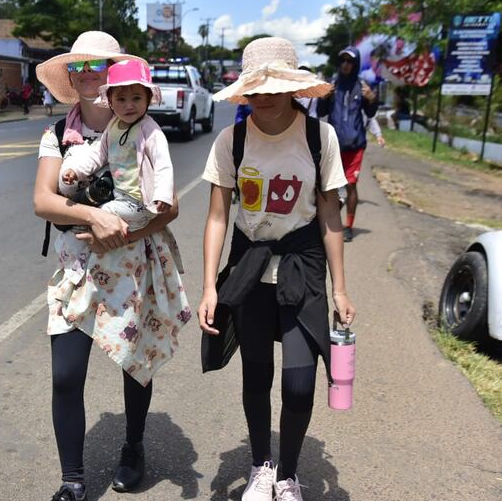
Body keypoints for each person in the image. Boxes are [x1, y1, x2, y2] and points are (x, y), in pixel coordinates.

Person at [34, 31, 190, 501]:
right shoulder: (59, 135)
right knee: (65, 373)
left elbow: (172, 206)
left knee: (135, 365)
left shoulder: (144, 129)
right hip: (78, 267)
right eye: (77, 67)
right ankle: (73, 480)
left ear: (117, 73)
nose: (86, 74)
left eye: (96, 65)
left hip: (133, 263)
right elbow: (43, 201)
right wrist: (92, 215)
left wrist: (128, 231)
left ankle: (134, 447)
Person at [198, 37, 356, 501]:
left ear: (293, 86)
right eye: (256, 85)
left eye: (275, 83)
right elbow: (217, 217)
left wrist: (341, 289)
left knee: (300, 382)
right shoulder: (233, 139)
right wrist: (210, 286)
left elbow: (329, 214)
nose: (264, 95)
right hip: (251, 266)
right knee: (257, 374)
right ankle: (261, 466)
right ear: (245, 89)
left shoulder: (318, 136)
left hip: (303, 266)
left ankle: (287, 474)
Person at [60, 59, 174, 234]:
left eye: (136, 98)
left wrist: (163, 194)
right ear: (110, 102)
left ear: (148, 99)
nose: (129, 105)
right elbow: (98, 155)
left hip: (139, 202)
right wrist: (75, 171)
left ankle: (103, 238)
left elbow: (163, 163)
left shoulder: (149, 129)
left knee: (102, 215)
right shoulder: (113, 126)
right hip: (121, 198)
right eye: (121, 99)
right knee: (101, 218)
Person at [316, 46, 378, 242]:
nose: (345, 64)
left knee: (351, 185)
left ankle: (348, 226)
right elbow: (321, 111)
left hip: (355, 145)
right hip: (334, 144)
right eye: (343, 60)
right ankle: (328, 221)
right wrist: (324, 97)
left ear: (356, 64)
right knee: (330, 186)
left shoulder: (363, 87)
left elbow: (370, 114)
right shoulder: (332, 85)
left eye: (350, 61)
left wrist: (372, 99)